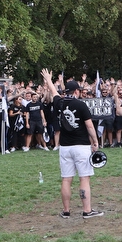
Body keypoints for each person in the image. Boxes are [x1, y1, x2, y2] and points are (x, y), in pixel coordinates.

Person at [41, 69, 103, 218]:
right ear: (76, 91)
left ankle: (66, 211)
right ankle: (87, 211)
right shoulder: (81, 105)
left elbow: (54, 92)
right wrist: (95, 142)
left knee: (66, 179)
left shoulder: (59, 103)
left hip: (65, 147)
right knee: (84, 178)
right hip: (81, 146)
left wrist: (49, 79)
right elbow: (89, 126)